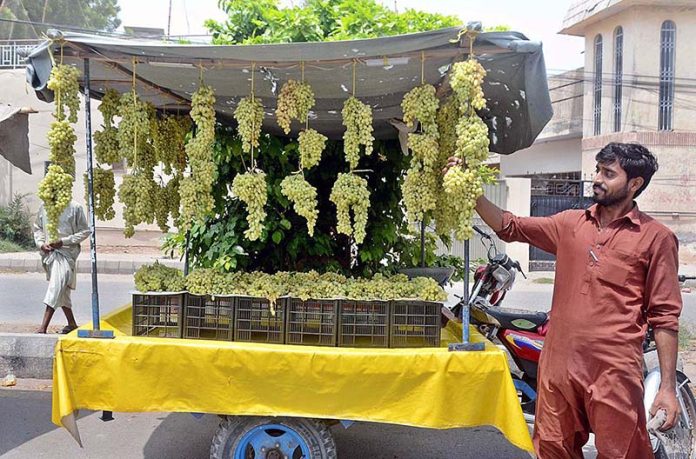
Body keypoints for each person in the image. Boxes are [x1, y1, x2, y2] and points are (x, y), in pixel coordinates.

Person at [446, 142, 682, 458]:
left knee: (621, 452)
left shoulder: (657, 238)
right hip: (558, 365)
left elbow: (665, 315)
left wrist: (667, 387)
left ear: (635, 184)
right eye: (598, 169)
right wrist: (470, 191)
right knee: (553, 449)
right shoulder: (570, 223)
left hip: (613, 369)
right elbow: (509, 226)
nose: (597, 178)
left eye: (608, 173)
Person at [33, 200, 91, 334]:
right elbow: (38, 228)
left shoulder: (75, 208)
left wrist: (64, 241)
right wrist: (41, 244)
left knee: (56, 286)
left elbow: (85, 231)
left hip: (67, 254)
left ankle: (43, 327)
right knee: (62, 290)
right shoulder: (44, 206)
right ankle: (72, 323)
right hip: (51, 255)